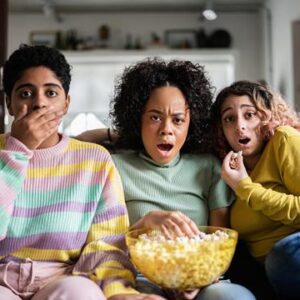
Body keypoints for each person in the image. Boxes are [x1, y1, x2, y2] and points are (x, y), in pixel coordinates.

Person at [77, 58, 255, 300]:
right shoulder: (113, 166)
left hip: (200, 280)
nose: (166, 129)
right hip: (135, 279)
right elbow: (72, 146)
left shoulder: (209, 167)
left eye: (178, 119)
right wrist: (119, 135)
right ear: (136, 118)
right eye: (154, 117)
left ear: (192, 122)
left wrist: (196, 280)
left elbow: (219, 243)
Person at [0, 44, 164, 300]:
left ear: (66, 103)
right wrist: (17, 152)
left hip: (63, 281)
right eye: (25, 93)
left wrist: (120, 292)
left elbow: (107, 245)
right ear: (9, 103)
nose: (39, 103)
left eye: (51, 92)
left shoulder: (94, 160)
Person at [210, 80, 300, 300]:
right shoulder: (225, 170)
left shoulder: (285, 140)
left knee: (283, 255)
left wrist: (245, 187)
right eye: (229, 119)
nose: (239, 126)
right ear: (221, 130)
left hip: (291, 255)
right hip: (266, 276)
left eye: (249, 114)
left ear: (267, 117)